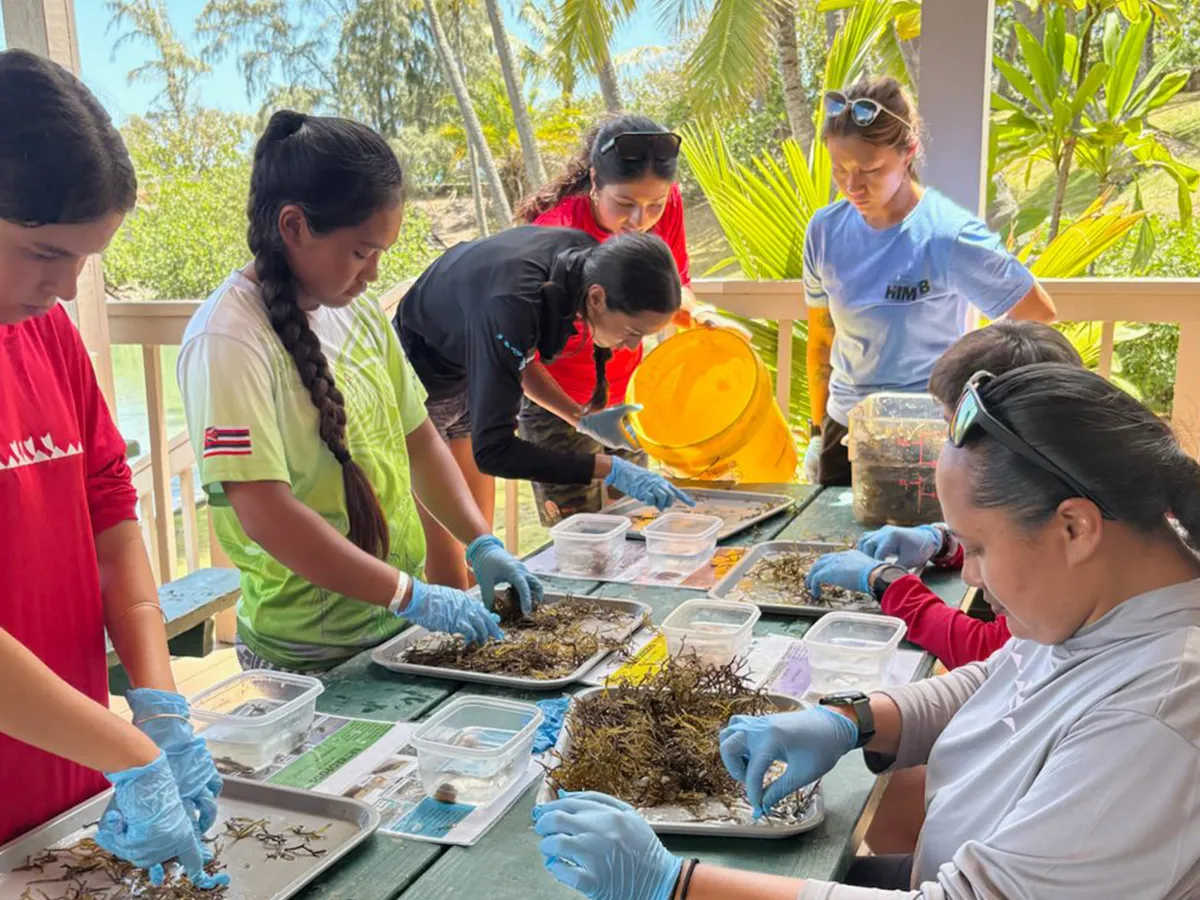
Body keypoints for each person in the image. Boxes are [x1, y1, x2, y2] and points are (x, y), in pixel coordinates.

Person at [534, 363, 1200, 898]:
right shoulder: (1109, 600)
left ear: (1075, 527)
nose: (965, 568)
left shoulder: (1160, 717)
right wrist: (852, 721)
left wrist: (676, 885)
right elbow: (1003, 677)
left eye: (978, 546)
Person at [178, 111, 539, 674]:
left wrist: (480, 542)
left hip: (396, 632)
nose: (371, 273)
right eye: (360, 252)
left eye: (380, 256)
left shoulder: (358, 310)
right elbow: (266, 515)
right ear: (293, 226)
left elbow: (419, 441)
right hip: (305, 655)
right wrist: (408, 593)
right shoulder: (228, 339)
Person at [0, 49, 225, 889]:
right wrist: (131, 753)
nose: (65, 287)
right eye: (42, 252)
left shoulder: (44, 333)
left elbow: (108, 504)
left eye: (85, 259)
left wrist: (158, 709)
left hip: (65, 778)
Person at [395, 226, 694, 589]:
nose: (632, 346)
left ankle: (484, 622)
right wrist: (608, 468)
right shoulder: (513, 301)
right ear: (597, 298)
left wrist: (582, 419)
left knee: (479, 540)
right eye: (632, 331)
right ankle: (455, 631)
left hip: (471, 364)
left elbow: (517, 356)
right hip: (421, 376)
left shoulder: (585, 263)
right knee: (450, 553)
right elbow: (495, 452)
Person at [804, 75, 1056, 487]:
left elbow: (1037, 312)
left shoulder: (947, 235)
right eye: (839, 168)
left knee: (928, 550)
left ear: (909, 153)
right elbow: (821, 338)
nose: (852, 185)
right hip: (844, 430)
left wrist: (975, 386)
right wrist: (817, 433)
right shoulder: (824, 231)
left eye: (870, 169)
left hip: (924, 438)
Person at [807, 321, 1083, 669]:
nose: (949, 439)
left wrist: (887, 583)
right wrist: (944, 542)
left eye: (952, 422)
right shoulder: (1059, 471)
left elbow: (990, 652)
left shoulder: (1056, 515)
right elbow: (1008, 538)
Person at [514, 115, 732, 525]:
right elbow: (521, 358)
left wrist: (699, 314)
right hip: (555, 404)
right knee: (580, 537)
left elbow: (673, 287)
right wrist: (579, 418)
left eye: (655, 205)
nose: (641, 220)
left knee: (637, 521)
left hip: (623, 398)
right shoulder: (552, 237)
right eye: (626, 204)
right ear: (595, 182)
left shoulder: (664, 205)